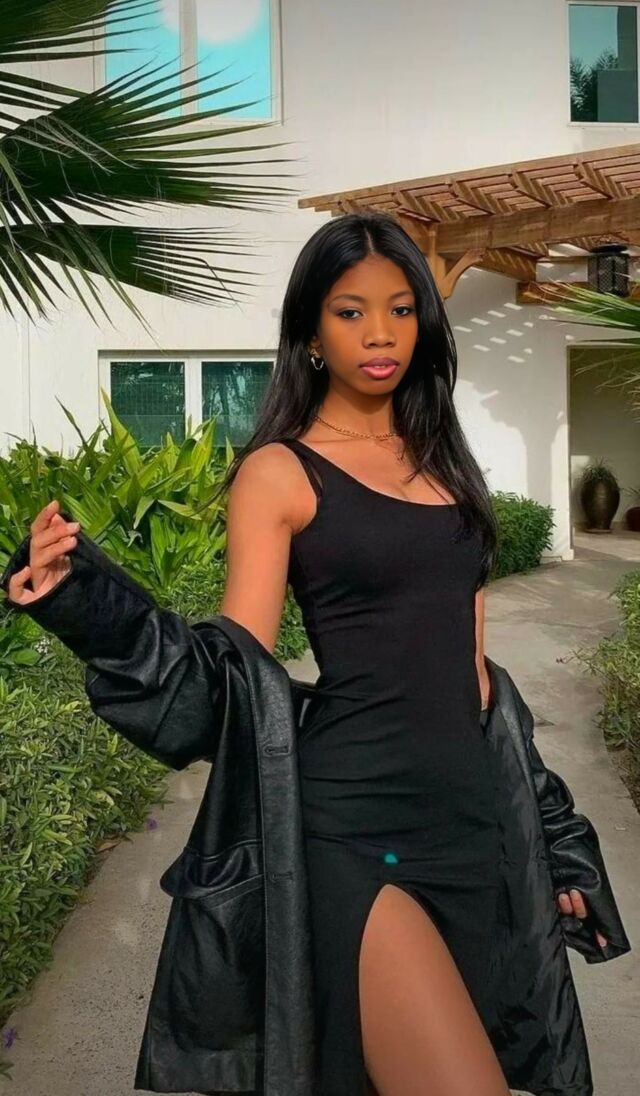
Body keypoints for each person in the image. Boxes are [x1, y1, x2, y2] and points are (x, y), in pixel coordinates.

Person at [8, 210, 606, 1096]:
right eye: (350, 311)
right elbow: (230, 677)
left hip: (469, 834)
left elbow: (476, 683)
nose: (380, 334)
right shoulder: (280, 473)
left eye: (400, 309)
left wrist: (548, 834)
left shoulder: (446, 462)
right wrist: (88, 605)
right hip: (354, 833)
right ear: (312, 334)